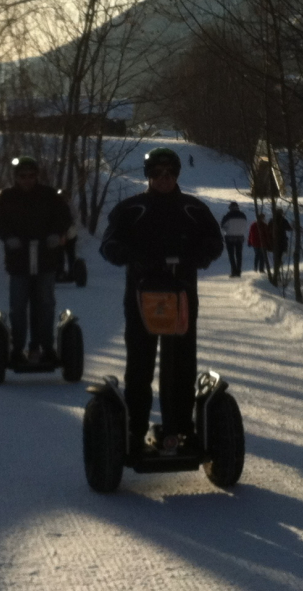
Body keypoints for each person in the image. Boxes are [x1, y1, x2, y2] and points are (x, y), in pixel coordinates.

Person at [100, 147, 224, 456]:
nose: (164, 179)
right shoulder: (132, 209)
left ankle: (179, 429)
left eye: (169, 173)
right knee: (139, 365)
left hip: (182, 296)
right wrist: (129, 255)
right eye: (157, 173)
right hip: (142, 297)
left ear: (177, 174)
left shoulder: (193, 209)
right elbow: (109, 243)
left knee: (181, 363)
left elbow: (214, 241)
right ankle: (135, 430)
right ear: (148, 176)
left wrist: (202, 255)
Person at [0, 156, 73, 365]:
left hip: (45, 259)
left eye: (31, 176)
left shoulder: (49, 196)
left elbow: (65, 218)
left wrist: (56, 234)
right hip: (18, 261)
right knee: (18, 306)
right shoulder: (6, 197)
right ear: (16, 177)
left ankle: (46, 347)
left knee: (45, 303)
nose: (27, 180)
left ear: (37, 176)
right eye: (22, 176)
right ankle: (17, 348)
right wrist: (8, 237)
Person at [220, 201, 249, 277]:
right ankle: (239, 271)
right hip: (240, 237)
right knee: (239, 255)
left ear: (231, 208)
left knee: (231, 255)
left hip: (230, 237)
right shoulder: (243, 215)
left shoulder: (228, 216)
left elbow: (222, 226)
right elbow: (245, 225)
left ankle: (234, 271)